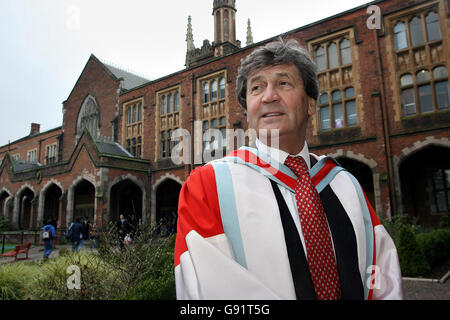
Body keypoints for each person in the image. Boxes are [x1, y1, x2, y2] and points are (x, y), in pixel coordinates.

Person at [174, 38, 403, 300]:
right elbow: (208, 289)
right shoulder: (208, 185)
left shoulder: (345, 185)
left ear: (311, 103)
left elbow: (382, 276)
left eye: (283, 83)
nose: (269, 96)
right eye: (256, 87)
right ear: (247, 110)